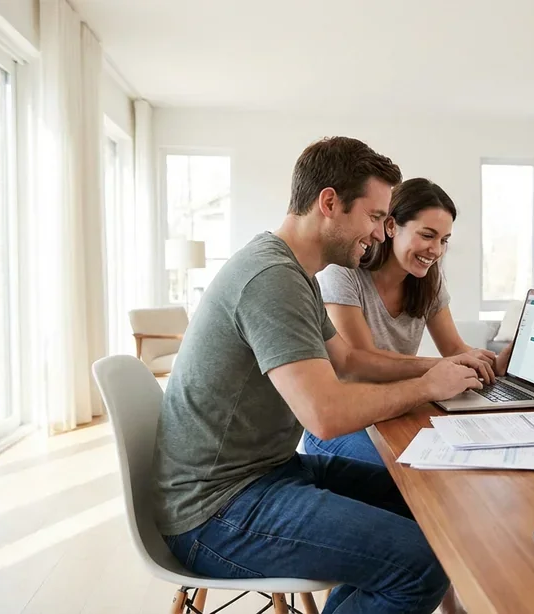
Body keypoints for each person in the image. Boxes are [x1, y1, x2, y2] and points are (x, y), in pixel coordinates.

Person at [152, 136, 490, 614]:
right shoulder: (270, 278)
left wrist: (439, 368)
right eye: (374, 217)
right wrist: (427, 386)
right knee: (419, 564)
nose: (379, 233)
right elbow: (325, 416)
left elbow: (349, 360)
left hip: (266, 473)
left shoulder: (297, 274)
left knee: (424, 500)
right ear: (329, 202)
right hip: (216, 510)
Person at [304, 177, 512, 465]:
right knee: (411, 473)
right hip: (346, 422)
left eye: (444, 240)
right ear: (390, 226)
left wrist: (491, 366)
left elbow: (454, 349)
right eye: (427, 235)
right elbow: (359, 364)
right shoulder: (343, 274)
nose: (436, 250)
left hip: (396, 408)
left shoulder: (428, 282)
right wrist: (438, 368)